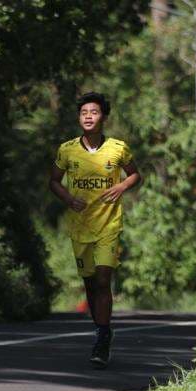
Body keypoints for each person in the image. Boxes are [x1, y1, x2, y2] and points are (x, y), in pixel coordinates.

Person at [49, 92, 141, 368]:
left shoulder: (118, 148)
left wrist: (122, 185)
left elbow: (135, 173)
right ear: (79, 118)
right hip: (80, 226)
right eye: (84, 112)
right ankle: (100, 326)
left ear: (104, 117)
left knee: (103, 279)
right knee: (90, 283)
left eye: (94, 112)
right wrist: (68, 198)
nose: (88, 116)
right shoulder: (67, 150)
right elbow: (53, 181)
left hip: (109, 224)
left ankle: (102, 336)